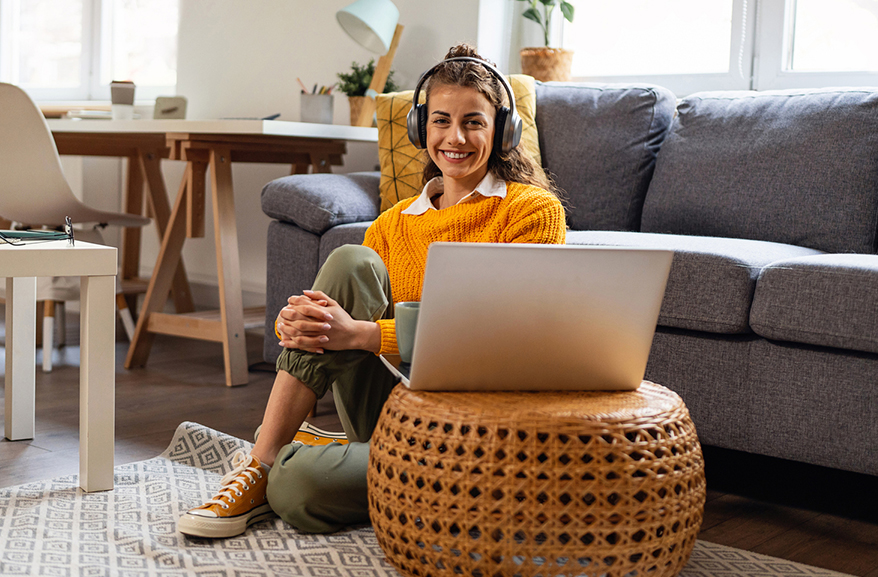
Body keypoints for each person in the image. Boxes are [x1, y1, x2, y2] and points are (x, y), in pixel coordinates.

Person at [177, 43, 567, 539]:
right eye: (442, 120)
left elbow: (505, 333)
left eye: (474, 122)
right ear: (420, 127)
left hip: (477, 429)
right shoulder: (390, 225)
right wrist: (297, 324)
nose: (455, 137)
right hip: (389, 411)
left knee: (298, 490)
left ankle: (309, 456)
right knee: (349, 259)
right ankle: (263, 459)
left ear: (503, 131)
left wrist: (361, 335)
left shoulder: (531, 212)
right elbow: (342, 308)